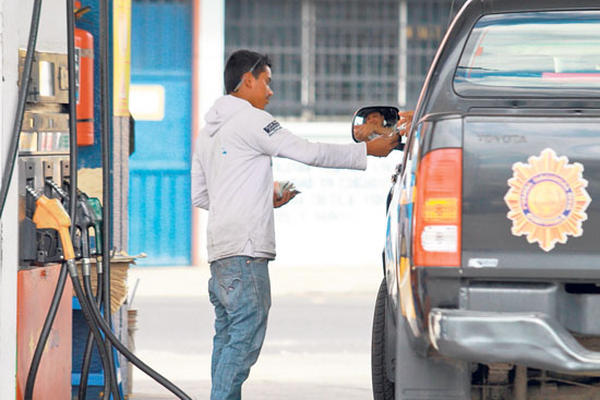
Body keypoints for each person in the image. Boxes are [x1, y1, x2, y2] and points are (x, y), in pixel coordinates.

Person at [190, 49, 399, 400]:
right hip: (246, 251)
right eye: (266, 82)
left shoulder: (208, 131)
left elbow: (202, 194)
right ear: (247, 81)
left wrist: (262, 194)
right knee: (242, 342)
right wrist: (366, 152)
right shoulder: (251, 120)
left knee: (227, 340)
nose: (270, 91)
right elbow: (307, 151)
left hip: (221, 253)